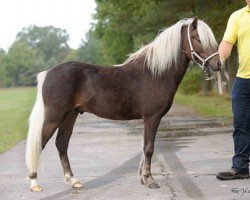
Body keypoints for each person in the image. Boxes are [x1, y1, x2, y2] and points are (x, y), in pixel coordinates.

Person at [216, 0, 250, 180]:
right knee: (241, 123)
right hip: (243, 79)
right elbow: (227, 43)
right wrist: (220, 59)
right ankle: (240, 167)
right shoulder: (237, 16)